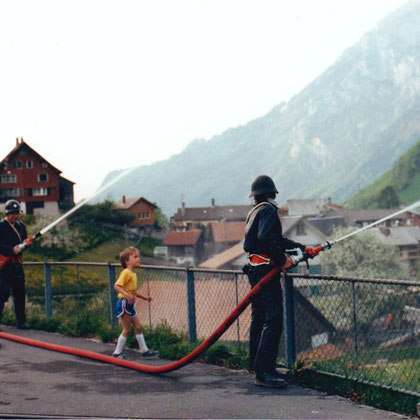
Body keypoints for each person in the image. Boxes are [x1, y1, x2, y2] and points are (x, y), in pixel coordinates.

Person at [244, 175, 314, 388]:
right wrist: (282, 260)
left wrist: (301, 248)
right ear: (273, 193)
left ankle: (258, 366)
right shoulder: (268, 211)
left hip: (255, 269)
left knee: (260, 317)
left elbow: (275, 240)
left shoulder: (255, 211)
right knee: (273, 318)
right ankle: (264, 372)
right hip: (265, 271)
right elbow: (267, 240)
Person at [112, 246, 159, 359]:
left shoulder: (133, 274)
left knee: (138, 326)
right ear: (127, 261)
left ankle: (144, 350)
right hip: (124, 303)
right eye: (135, 257)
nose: (139, 258)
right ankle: (117, 353)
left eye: (139, 256)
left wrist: (143, 297)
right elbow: (117, 286)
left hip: (130, 305)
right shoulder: (126, 273)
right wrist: (127, 295)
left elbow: (132, 291)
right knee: (127, 329)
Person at [0, 199, 32, 329]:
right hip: (5, 265)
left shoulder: (21, 226)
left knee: (20, 293)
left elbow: (23, 242)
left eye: (17, 213)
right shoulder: (1, 226)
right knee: (2, 293)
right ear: (7, 213)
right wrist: (11, 250)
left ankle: (21, 321)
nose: (15, 216)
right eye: (13, 213)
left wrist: (26, 244)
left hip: (17, 264)